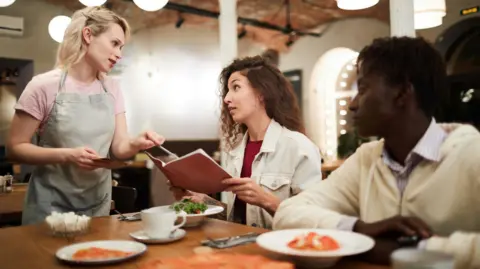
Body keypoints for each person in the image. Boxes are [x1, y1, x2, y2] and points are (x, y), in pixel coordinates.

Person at [273, 36, 480, 268]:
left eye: (362, 89)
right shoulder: (367, 159)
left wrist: (409, 250)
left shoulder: (471, 154)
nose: (353, 104)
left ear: (402, 93)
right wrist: (360, 229)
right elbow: (287, 214)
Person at [7, 6, 164, 225]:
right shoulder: (43, 86)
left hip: (97, 206)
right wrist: (68, 155)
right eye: (114, 43)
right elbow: (15, 148)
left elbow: (119, 147)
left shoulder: (112, 88)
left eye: (122, 46)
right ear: (88, 35)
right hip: (49, 209)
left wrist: (136, 143)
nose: (119, 54)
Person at [171, 56, 322, 229]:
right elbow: (238, 217)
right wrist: (203, 201)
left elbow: (312, 220)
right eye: (227, 90)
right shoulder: (233, 150)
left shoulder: (299, 147)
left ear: (262, 93)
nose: (227, 98)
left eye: (236, 87)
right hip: (239, 248)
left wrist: (267, 201)